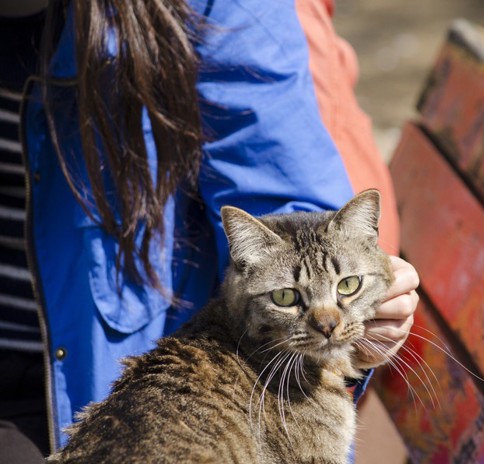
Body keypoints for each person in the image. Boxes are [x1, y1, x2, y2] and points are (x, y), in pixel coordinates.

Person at [0, 0, 420, 461]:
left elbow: (280, 184)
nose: (328, 318)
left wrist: (368, 309)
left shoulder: (215, 8)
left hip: (80, 391)